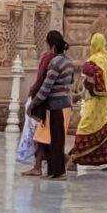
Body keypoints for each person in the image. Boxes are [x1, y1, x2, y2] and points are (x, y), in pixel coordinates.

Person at [67, 32, 107, 170]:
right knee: (103, 129)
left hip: (94, 102)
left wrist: (81, 94)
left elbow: (90, 84)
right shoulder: (105, 60)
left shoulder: (93, 61)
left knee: (84, 128)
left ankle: (74, 159)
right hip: (102, 101)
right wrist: (80, 95)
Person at [27, 30, 72, 179]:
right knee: (57, 139)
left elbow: (46, 87)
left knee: (55, 140)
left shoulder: (55, 62)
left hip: (55, 105)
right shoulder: (68, 62)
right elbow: (70, 81)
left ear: (52, 46)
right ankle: (54, 171)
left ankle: (58, 172)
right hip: (65, 103)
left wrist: (33, 104)